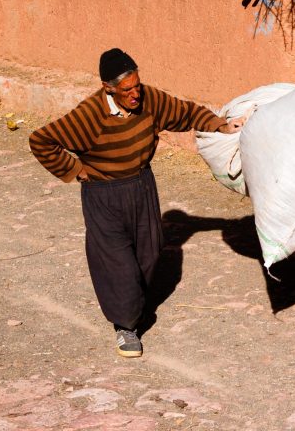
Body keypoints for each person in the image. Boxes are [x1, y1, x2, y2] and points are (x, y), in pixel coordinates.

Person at [29, 48, 244, 358]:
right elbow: (41, 140)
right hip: (104, 195)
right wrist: (76, 170)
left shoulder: (149, 100)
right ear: (108, 88)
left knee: (150, 250)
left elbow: (184, 112)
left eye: (137, 86)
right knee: (117, 263)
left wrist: (220, 125)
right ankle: (125, 326)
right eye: (126, 90)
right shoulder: (89, 115)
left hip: (142, 187)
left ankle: (133, 305)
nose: (134, 94)